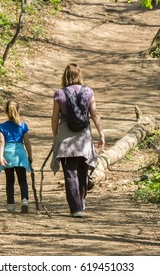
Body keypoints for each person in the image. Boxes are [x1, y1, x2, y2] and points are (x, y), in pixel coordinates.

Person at [50, 63, 105, 218]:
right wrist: (101, 134)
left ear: (65, 76)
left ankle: (76, 208)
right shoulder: (88, 92)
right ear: (79, 75)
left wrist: (56, 137)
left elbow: (55, 118)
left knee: (70, 174)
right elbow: (94, 114)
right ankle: (80, 200)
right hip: (84, 138)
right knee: (82, 172)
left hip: (66, 138)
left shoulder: (59, 94)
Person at [0, 100, 33, 214]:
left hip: (8, 154)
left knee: (10, 180)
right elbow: (27, 142)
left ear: (6, 111)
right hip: (20, 154)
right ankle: (24, 200)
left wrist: (1, 157)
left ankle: (11, 204)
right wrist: (30, 156)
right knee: (22, 179)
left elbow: (1, 141)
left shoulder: (2, 126)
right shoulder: (23, 125)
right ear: (19, 111)